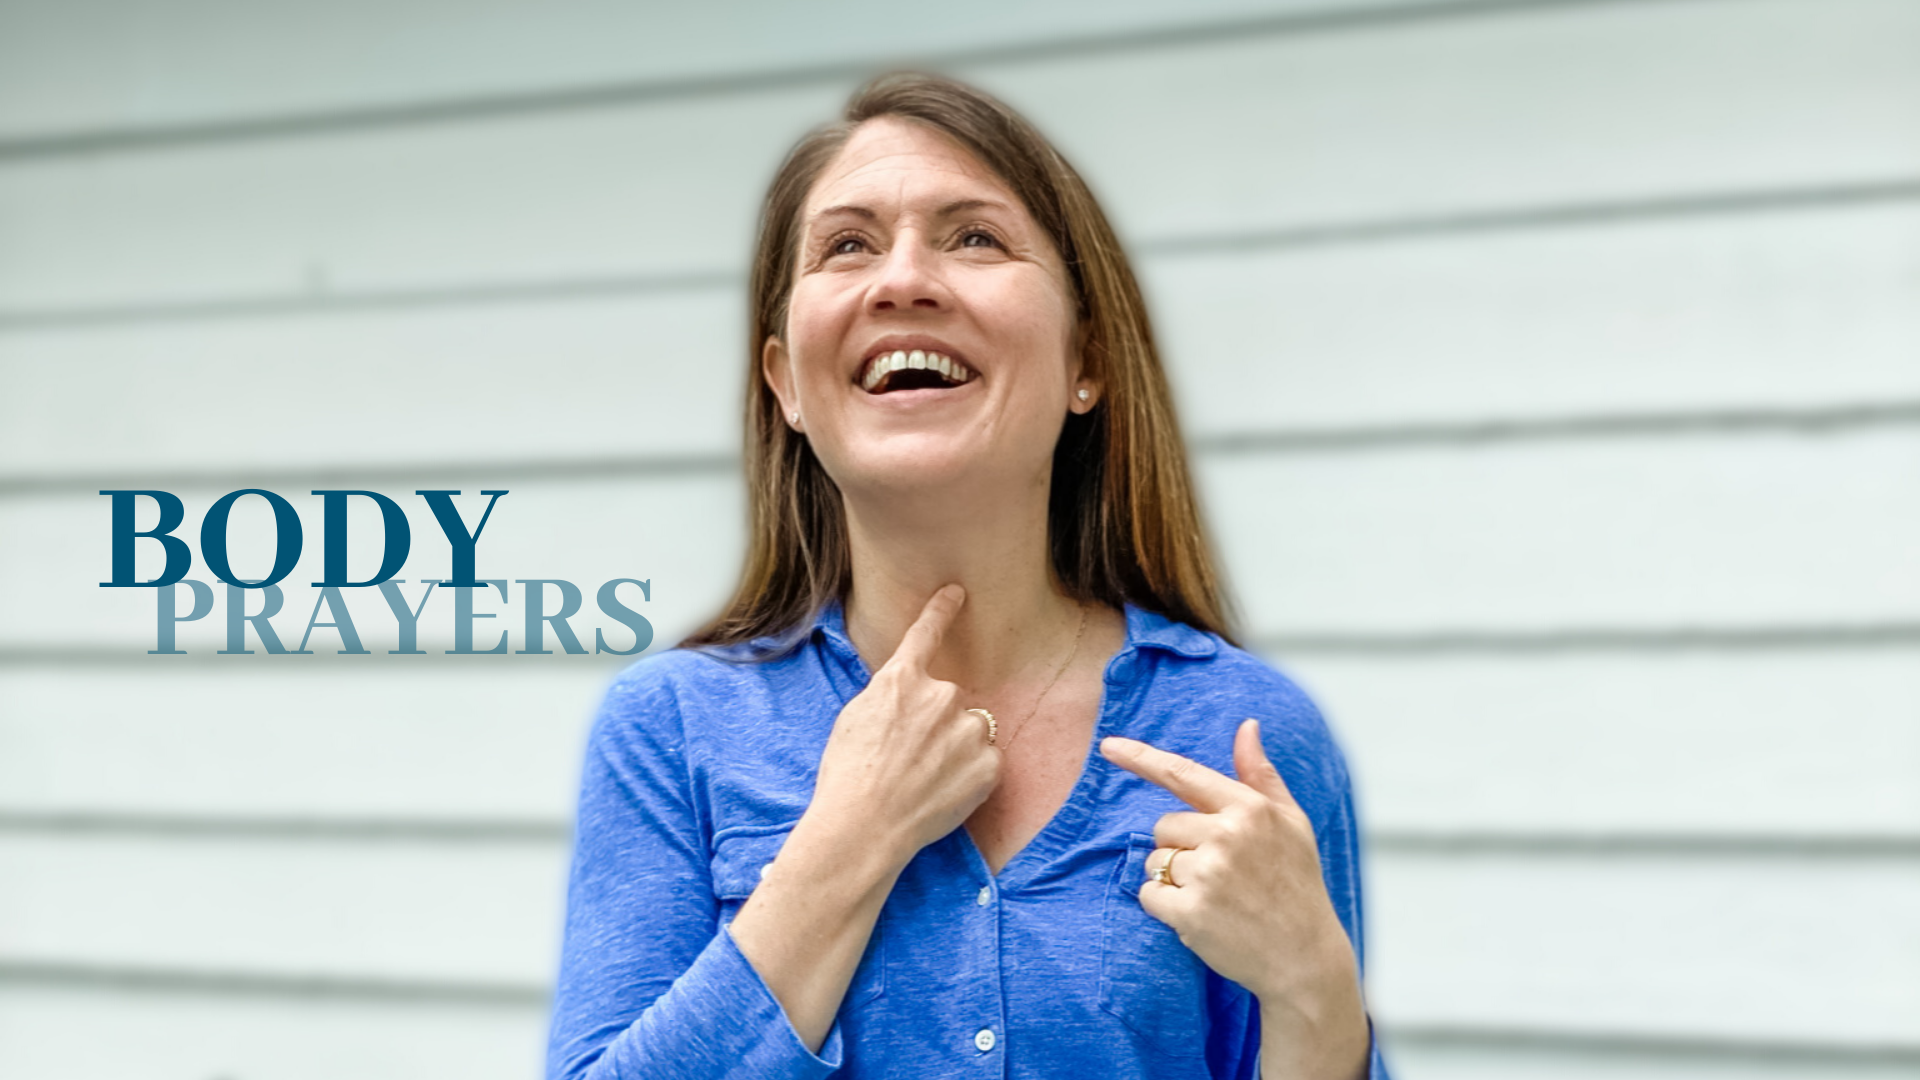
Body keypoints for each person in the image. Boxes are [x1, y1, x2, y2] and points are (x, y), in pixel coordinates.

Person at [546, 71, 1391, 1080]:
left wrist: (1317, 1001)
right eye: (847, 245)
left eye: (974, 237)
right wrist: (843, 846)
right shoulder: (668, 731)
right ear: (786, 388)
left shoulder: (1248, 738)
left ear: (1088, 360)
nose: (901, 280)